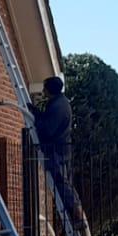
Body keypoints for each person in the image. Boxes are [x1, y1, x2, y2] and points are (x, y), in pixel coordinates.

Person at [34, 74, 79, 221]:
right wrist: (36, 112)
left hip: (56, 150)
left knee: (60, 181)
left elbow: (48, 129)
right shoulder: (60, 103)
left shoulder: (58, 106)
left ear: (49, 90)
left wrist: (35, 122)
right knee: (65, 181)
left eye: (44, 88)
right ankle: (75, 211)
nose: (43, 91)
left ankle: (75, 213)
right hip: (62, 148)